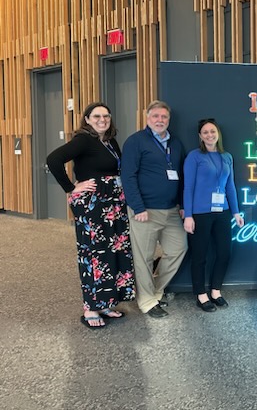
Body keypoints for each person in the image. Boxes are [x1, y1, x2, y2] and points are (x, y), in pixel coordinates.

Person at [47, 102, 135, 329]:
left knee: (112, 252)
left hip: (113, 204)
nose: (102, 120)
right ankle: (90, 308)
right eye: (96, 116)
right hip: (94, 204)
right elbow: (53, 159)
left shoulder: (110, 141)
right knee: (94, 254)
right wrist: (70, 187)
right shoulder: (83, 140)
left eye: (106, 115)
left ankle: (105, 303)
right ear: (87, 119)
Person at [121, 100, 187, 318]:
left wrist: (182, 205)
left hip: (171, 210)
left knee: (178, 250)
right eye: (156, 116)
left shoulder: (175, 143)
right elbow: (127, 176)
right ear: (147, 118)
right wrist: (137, 207)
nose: (160, 120)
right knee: (144, 257)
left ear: (169, 120)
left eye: (164, 117)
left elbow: (181, 176)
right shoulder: (135, 142)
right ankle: (147, 301)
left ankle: (155, 291)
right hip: (144, 211)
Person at [183, 119, 244, 312]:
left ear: (218, 133)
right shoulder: (194, 157)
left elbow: (230, 186)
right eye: (205, 132)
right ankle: (201, 294)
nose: (210, 135)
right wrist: (188, 215)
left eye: (212, 131)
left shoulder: (227, 157)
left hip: (222, 212)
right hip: (200, 214)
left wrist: (235, 212)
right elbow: (188, 187)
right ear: (200, 136)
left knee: (225, 253)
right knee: (200, 256)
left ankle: (216, 290)